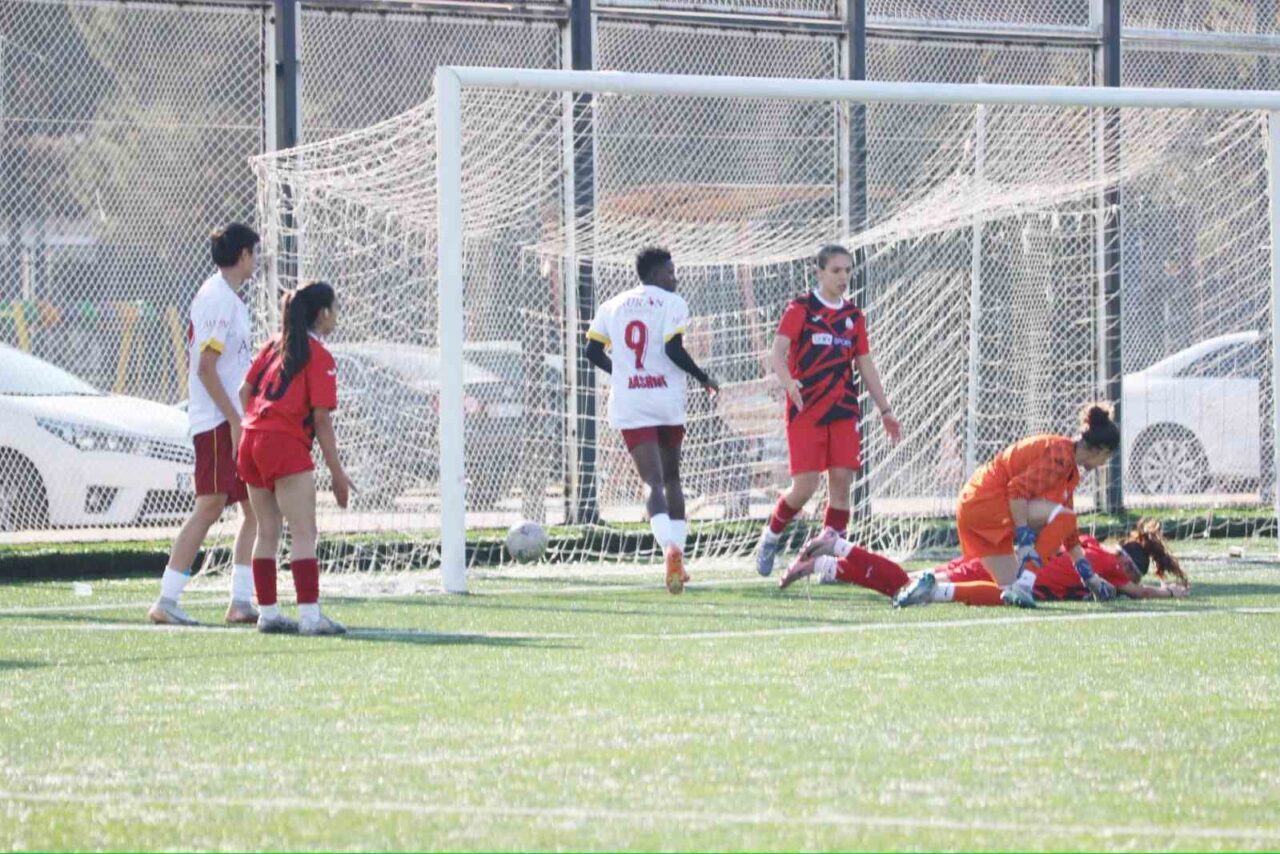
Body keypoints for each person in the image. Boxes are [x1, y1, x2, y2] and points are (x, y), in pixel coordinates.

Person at [754, 245, 901, 577]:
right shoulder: (801, 309)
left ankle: (830, 562)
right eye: (836, 270)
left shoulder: (854, 317)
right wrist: (789, 382)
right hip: (806, 410)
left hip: (843, 409)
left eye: (848, 270)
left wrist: (885, 410)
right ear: (819, 272)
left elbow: (865, 364)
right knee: (804, 488)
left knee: (841, 481)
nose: (843, 276)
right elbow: (777, 352)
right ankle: (771, 535)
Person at [585, 247, 719, 594]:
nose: (675, 278)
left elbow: (592, 351)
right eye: (671, 272)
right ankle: (679, 557)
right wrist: (702, 376)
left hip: (631, 401)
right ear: (656, 274)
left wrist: (622, 373)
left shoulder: (612, 305)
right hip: (666, 400)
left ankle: (667, 549)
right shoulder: (673, 303)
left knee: (651, 482)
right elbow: (673, 350)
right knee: (673, 478)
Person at [148, 224, 260, 626]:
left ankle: (241, 601)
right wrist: (233, 419)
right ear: (243, 255)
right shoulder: (217, 298)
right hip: (216, 422)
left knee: (256, 509)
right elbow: (206, 368)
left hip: (233, 420)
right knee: (210, 506)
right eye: (254, 253)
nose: (257, 261)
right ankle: (166, 599)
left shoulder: (231, 299)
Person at [237, 282, 353, 635]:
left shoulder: (274, 344)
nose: (337, 315)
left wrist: (260, 424)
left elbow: (244, 391)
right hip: (282, 442)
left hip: (251, 437)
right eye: (336, 308)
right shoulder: (320, 356)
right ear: (323, 313)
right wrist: (338, 473)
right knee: (304, 530)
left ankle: (268, 613)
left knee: (267, 530)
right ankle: (310, 617)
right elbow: (321, 420)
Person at [780, 507, 1190, 606]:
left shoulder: (1091, 545)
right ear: (1126, 563)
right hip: (997, 572)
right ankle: (837, 547)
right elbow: (1138, 592)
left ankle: (825, 563)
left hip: (991, 559)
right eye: (1131, 571)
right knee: (904, 585)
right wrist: (1168, 592)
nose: (1127, 577)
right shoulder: (1109, 567)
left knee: (902, 582)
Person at [949, 403, 1121, 607]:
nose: (1104, 464)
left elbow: (1068, 532)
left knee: (1008, 591)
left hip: (975, 506)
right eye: (1107, 457)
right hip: (986, 500)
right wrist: (1025, 539)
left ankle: (933, 590)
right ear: (1100, 450)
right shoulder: (1060, 456)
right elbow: (1016, 490)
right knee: (1062, 519)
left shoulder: (1069, 469)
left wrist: (1089, 576)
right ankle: (1025, 582)